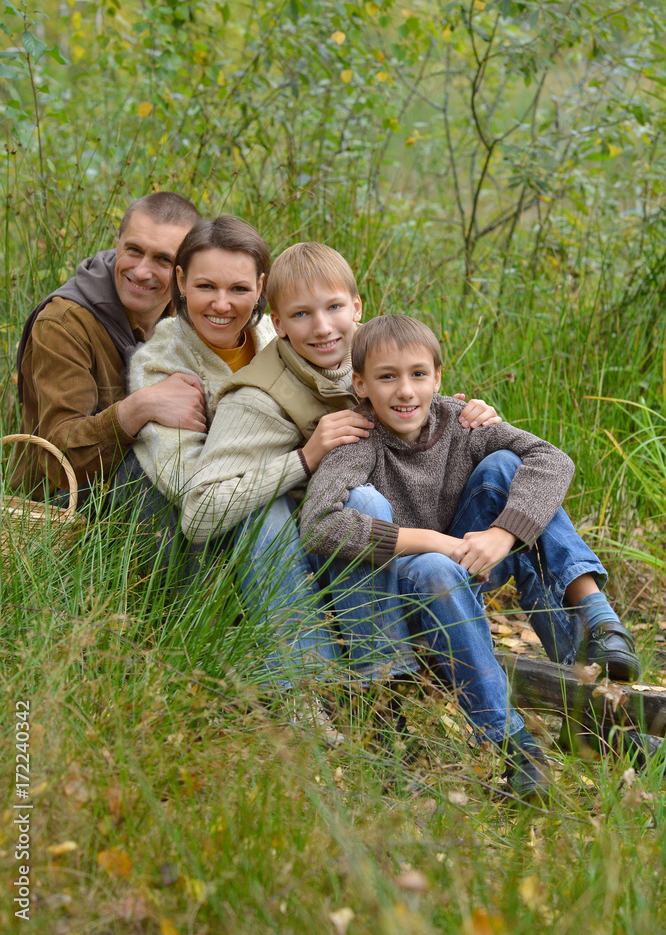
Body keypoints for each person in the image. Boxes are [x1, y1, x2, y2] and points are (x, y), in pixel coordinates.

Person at [300, 314, 641, 797]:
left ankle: (599, 642)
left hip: (470, 571)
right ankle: (516, 747)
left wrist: (503, 534)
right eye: (386, 377)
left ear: (439, 377)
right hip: (406, 598)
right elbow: (317, 522)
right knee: (438, 563)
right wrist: (431, 541)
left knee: (507, 467)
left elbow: (553, 459)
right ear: (360, 384)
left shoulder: (460, 422)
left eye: (418, 374)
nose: (405, 391)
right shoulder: (360, 441)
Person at [161, 241, 499, 683]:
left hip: (405, 548)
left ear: (356, 307)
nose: (323, 328)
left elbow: (415, 391)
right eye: (301, 314)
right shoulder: (255, 401)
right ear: (278, 324)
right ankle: (356, 680)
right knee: (356, 501)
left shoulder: (373, 349)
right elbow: (199, 513)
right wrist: (304, 458)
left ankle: (589, 632)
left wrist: (459, 415)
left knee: (506, 465)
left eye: (334, 307)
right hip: (318, 552)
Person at [10, 192, 205, 502]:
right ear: (118, 242)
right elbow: (61, 463)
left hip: (155, 488)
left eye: (163, 259)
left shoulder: (194, 312)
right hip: (65, 501)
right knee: (157, 463)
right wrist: (139, 408)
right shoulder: (64, 323)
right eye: (134, 250)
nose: (141, 271)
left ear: (184, 270)